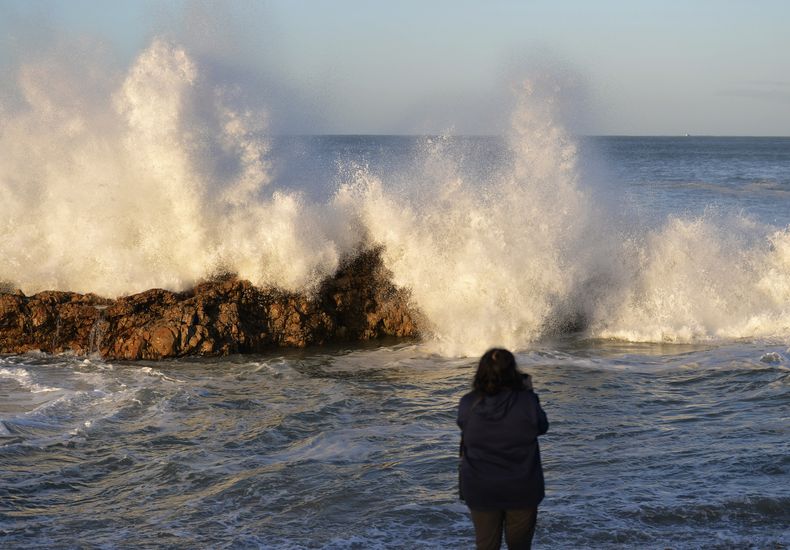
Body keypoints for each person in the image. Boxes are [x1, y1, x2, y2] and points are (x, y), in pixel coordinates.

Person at [457, 348, 549, 550]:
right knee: (519, 546)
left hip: (480, 488)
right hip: (522, 488)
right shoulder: (526, 402)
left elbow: (464, 424)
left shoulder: (468, 403)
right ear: (512, 372)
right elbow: (542, 426)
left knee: (486, 545)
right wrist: (529, 392)